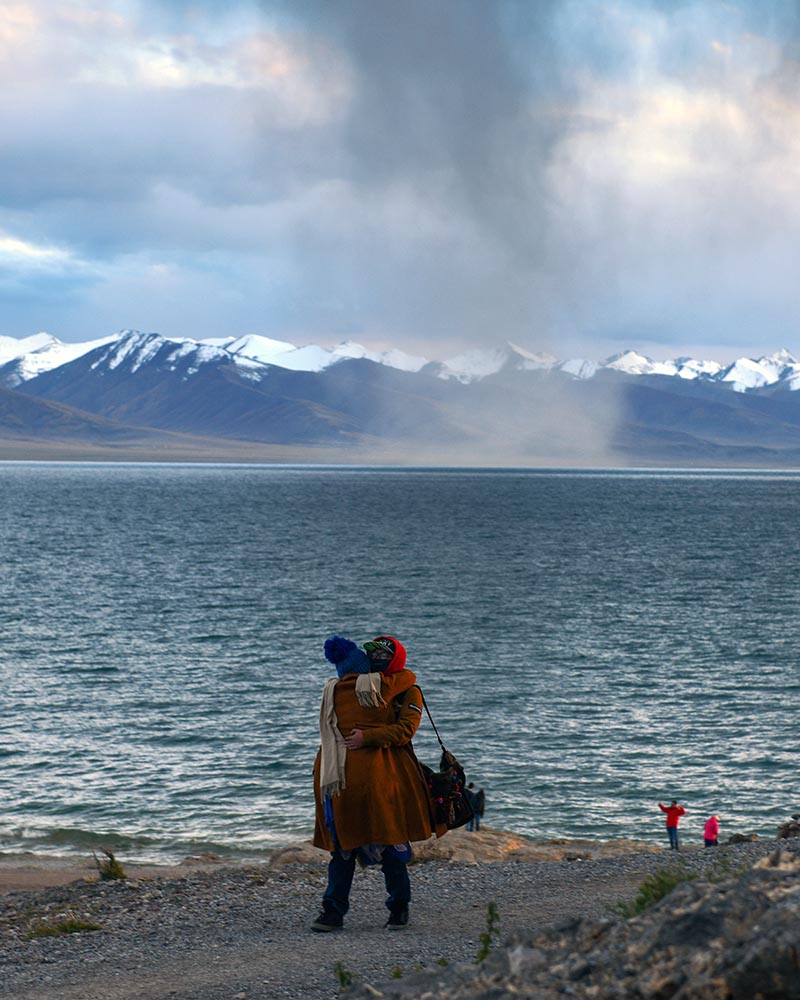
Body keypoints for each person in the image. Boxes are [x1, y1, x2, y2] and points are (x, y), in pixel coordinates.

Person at [311, 634, 439, 933]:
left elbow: (405, 729)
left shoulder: (337, 689)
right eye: (375, 654)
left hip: (344, 777)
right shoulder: (400, 687)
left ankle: (335, 912)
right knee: (384, 842)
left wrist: (366, 737)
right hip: (375, 778)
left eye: (384, 654)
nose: (379, 659)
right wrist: (370, 736)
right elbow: (406, 730)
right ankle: (396, 910)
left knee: (350, 847)